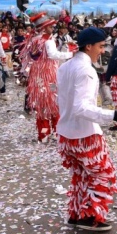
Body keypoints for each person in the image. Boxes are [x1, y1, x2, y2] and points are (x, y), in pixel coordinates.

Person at [57, 27, 117, 231]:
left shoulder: (65, 67)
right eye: (101, 46)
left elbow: (64, 101)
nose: (103, 51)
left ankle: (77, 214)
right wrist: (115, 114)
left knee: (82, 175)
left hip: (66, 133)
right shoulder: (86, 71)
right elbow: (81, 107)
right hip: (84, 134)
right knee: (103, 173)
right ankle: (90, 216)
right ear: (89, 46)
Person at [27, 13, 75, 142]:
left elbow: (30, 57)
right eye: (49, 27)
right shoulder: (48, 41)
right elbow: (53, 55)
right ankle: (57, 132)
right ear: (43, 28)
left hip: (37, 76)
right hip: (49, 75)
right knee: (53, 103)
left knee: (41, 104)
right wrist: (71, 54)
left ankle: (44, 134)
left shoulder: (34, 40)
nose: (52, 28)